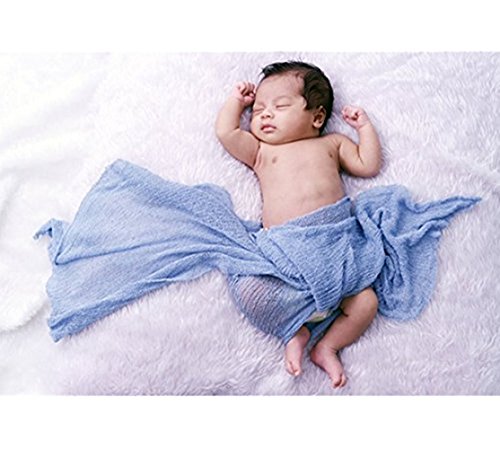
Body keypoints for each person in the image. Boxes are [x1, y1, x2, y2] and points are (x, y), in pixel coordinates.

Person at [215, 61, 382, 388]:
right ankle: (295, 331)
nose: (265, 115)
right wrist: (237, 102)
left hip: (334, 251)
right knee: (250, 291)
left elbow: (368, 164)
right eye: (258, 110)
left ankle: (328, 346)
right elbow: (226, 133)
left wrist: (364, 128)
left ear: (317, 117)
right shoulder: (261, 152)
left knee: (366, 302)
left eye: (279, 107)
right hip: (286, 254)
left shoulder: (332, 144)